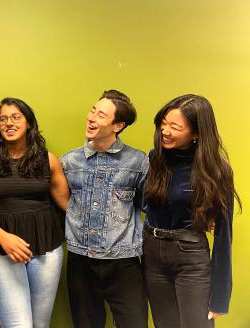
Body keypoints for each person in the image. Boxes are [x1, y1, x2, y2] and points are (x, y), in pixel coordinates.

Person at [0, 97, 69, 328]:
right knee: (18, 325)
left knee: (40, 324)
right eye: (3, 119)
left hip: (46, 248)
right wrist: (4, 239)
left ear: (29, 123)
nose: (8, 123)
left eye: (15, 117)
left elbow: (67, 205)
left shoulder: (47, 159)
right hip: (1, 251)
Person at [143, 94, 241, 328]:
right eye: (163, 123)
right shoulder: (156, 157)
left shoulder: (216, 170)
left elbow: (223, 234)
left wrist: (220, 296)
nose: (165, 131)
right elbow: (147, 202)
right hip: (153, 254)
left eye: (175, 127)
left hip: (189, 257)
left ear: (196, 133)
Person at [60, 90, 148, 328]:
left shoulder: (138, 162)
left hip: (124, 261)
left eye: (101, 115)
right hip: (81, 260)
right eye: (92, 110)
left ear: (117, 125)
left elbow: (149, 207)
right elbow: (63, 203)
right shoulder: (68, 162)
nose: (91, 118)